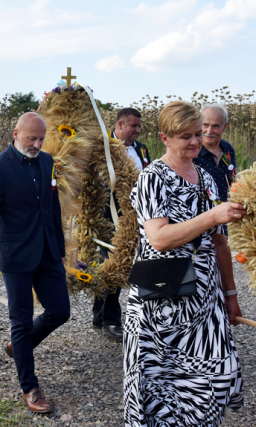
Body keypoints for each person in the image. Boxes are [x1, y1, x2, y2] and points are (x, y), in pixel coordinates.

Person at [125, 101, 245, 426]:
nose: (195, 142)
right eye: (185, 136)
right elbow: (159, 238)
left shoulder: (206, 177)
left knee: (207, 382)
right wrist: (212, 215)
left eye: (196, 134)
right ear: (164, 137)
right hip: (162, 290)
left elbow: (220, 242)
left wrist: (231, 295)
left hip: (204, 295)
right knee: (162, 386)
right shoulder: (153, 178)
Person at [0, 112, 70, 414]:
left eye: (41, 139)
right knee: (21, 319)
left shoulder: (47, 162)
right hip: (15, 256)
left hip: (47, 252)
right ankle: (30, 387)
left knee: (60, 311)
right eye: (32, 138)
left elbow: (52, 205)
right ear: (16, 133)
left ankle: (20, 345)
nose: (37, 144)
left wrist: (61, 247)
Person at [93, 107, 151, 340]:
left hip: (136, 214)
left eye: (139, 126)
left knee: (120, 265)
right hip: (110, 216)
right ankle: (111, 320)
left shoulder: (142, 149)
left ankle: (99, 315)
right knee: (113, 264)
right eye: (133, 126)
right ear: (119, 125)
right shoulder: (103, 147)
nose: (137, 130)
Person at [193, 104, 237, 203]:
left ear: (224, 126)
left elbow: (233, 180)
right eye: (205, 125)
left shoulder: (227, 149)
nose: (209, 131)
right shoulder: (192, 151)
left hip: (228, 211)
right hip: (202, 215)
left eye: (215, 126)